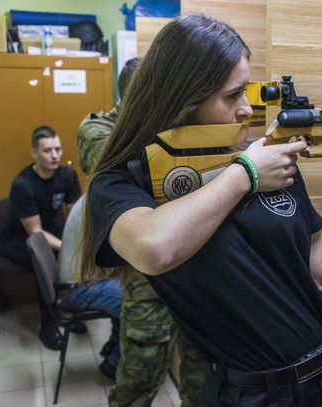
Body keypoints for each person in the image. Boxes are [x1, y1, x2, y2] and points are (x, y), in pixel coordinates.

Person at [79, 14, 322, 406]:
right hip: (254, 394)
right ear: (183, 99)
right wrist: (246, 174)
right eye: (232, 96)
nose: (248, 109)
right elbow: (155, 248)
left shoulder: (268, 161)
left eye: (246, 91)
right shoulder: (124, 181)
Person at [78, 57, 205, 406]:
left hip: (194, 262)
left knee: (202, 379)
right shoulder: (98, 129)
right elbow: (129, 174)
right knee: (139, 377)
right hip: (142, 271)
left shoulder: (174, 128)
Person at [0, 125, 81, 350]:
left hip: (48, 229)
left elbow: (75, 217)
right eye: (47, 150)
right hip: (15, 239)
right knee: (43, 262)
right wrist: (66, 248)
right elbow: (35, 232)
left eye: (57, 149)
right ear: (34, 152)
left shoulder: (67, 175)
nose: (54, 155)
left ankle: (75, 307)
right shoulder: (23, 184)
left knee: (72, 256)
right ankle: (49, 324)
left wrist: (78, 244)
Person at [58, 196, 122, 380]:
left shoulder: (96, 196)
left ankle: (114, 351)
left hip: (80, 283)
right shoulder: (102, 202)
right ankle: (116, 362)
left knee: (133, 293)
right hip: (79, 288)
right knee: (138, 303)